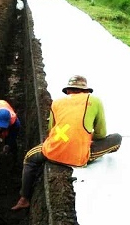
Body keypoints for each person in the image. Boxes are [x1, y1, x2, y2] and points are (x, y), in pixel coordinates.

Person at [11, 75, 122, 211]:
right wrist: (87, 135)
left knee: (29, 157)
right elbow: (101, 134)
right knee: (116, 138)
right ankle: (90, 152)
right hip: (78, 157)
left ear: (68, 91)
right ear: (86, 91)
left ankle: (24, 199)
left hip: (52, 152)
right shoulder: (95, 101)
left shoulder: (56, 103)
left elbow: (51, 129)